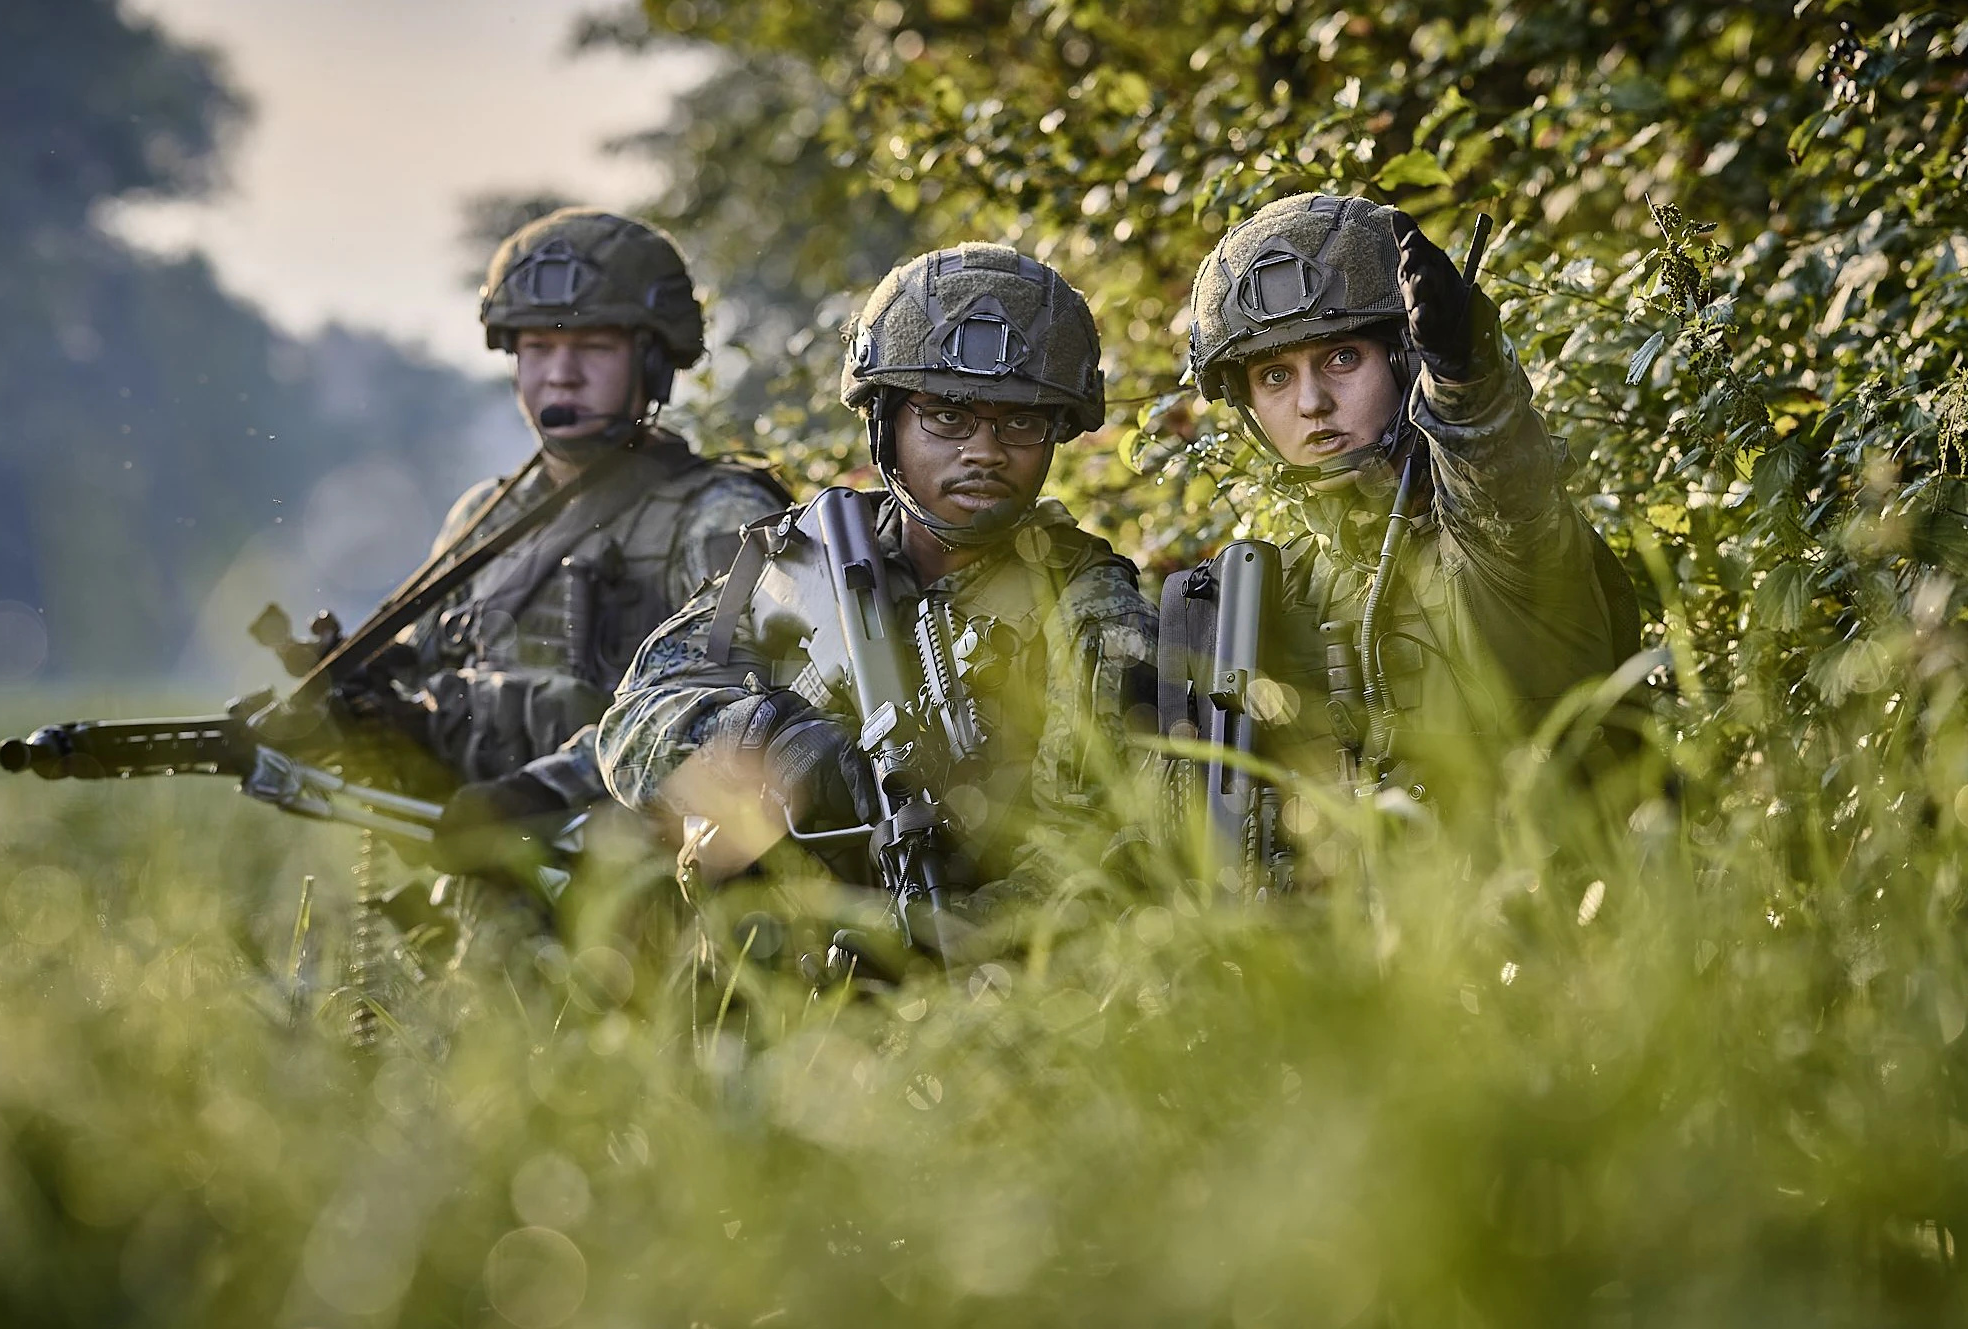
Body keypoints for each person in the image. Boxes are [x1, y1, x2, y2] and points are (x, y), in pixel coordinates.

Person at [594, 242, 1156, 925]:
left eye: (1022, 421)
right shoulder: (800, 561)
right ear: (885, 422)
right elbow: (631, 729)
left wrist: (936, 935)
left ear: (1056, 433)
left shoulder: (1088, 605)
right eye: (947, 416)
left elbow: (1096, 846)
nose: (984, 449)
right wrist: (766, 737)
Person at [1171, 192, 1641, 814]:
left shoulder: (1497, 552)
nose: (1312, 402)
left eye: (1342, 358)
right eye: (1275, 377)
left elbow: (1500, 482)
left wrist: (1462, 377)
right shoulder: (1270, 595)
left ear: (1403, 359)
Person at [378, 207, 790, 902]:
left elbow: (750, 718)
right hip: (489, 891)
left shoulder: (720, 514)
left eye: (593, 347)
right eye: (537, 347)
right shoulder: (485, 518)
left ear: (652, 361)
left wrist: (543, 789)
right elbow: (434, 680)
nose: (560, 375)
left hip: (649, 894)